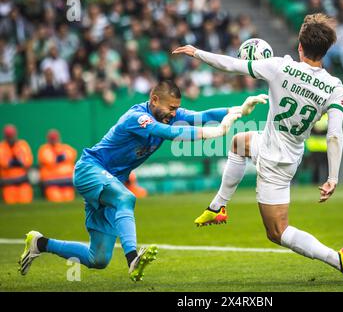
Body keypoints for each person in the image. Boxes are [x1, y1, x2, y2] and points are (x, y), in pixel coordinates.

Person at [173, 13, 343, 283]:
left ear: (300, 46)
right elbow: (334, 135)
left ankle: (338, 259)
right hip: (284, 151)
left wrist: (196, 52)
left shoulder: (280, 67)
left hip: (274, 161)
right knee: (239, 142)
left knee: (277, 232)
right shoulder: (335, 87)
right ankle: (218, 206)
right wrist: (333, 177)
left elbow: (231, 64)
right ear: (326, 50)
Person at [18, 80, 264, 282]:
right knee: (126, 197)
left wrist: (238, 110)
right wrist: (217, 132)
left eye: (177, 108)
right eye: (171, 108)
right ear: (154, 100)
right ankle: (132, 258)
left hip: (109, 181)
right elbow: (166, 133)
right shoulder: (137, 117)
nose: (175, 113)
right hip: (90, 169)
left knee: (98, 259)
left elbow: (201, 115)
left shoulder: (168, 114)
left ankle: (39, 243)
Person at [38, 129, 77, 202]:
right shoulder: (44, 149)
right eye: (52, 138)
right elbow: (49, 160)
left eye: (55, 138)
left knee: (68, 198)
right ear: (48, 139)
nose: (53, 140)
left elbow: (72, 154)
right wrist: (60, 157)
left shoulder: (65, 147)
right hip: (51, 182)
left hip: (67, 181)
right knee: (56, 198)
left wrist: (61, 156)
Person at [0, 125, 33, 204]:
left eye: (12, 135)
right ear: (5, 136)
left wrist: (15, 162)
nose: (10, 138)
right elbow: (3, 162)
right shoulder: (1, 146)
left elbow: (27, 161)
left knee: (26, 201)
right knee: (10, 202)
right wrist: (14, 162)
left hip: (23, 180)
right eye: (8, 136)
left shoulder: (22, 145)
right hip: (8, 182)